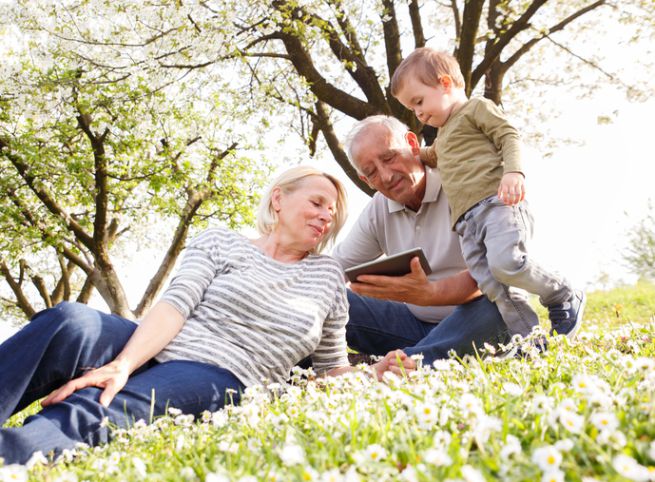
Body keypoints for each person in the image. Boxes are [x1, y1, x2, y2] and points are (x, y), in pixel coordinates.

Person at [0, 166, 412, 465]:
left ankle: (13, 456)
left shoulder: (326, 276)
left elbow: (328, 370)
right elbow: (178, 302)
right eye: (317, 203)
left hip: (225, 372)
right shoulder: (221, 241)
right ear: (279, 199)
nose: (326, 216)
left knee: (100, 400)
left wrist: (372, 374)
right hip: (158, 340)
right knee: (72, 321)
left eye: (332, 213)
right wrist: (124, 363)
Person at [389, 47, 585, 339]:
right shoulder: (443, 136)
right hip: (466, 223)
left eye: (419, 101)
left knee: (507, 263)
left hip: (497, 205)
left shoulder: (476, 108)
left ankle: (562, 292)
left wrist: (514, 172)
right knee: (493, 286)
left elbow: (508, 135)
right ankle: (528, 339)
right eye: (411, 108)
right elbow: (433, 157)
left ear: (444, 84)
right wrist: (409, 154)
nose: (417, 112)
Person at [331, 115, 510, 369]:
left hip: (475, 320)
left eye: (389, 157)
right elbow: (334, 267)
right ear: (365, 181)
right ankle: (422, 356)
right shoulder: (378, 209)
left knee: (503, 302)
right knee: (327, 297)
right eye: (371, 172)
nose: (386, 176)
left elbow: (498, 272)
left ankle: (411, 363)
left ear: (412, 143)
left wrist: (431, 293)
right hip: (411, 324)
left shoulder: (465, 183)